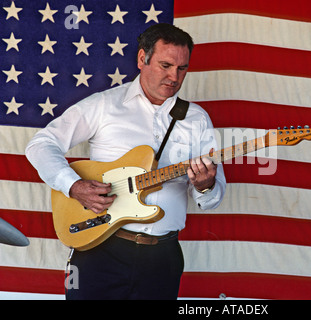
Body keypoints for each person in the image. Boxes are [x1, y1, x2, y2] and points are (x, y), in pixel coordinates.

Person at [25, 23, 226, 300]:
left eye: (182, 69)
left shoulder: (197, 119)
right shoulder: (105, 105)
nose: (174, 77)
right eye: (165, 65)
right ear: (142, 59)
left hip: (163, 257)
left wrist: (206, 185)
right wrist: (73, 186)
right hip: (100, 250)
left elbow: (211, 199)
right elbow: (41, 144)